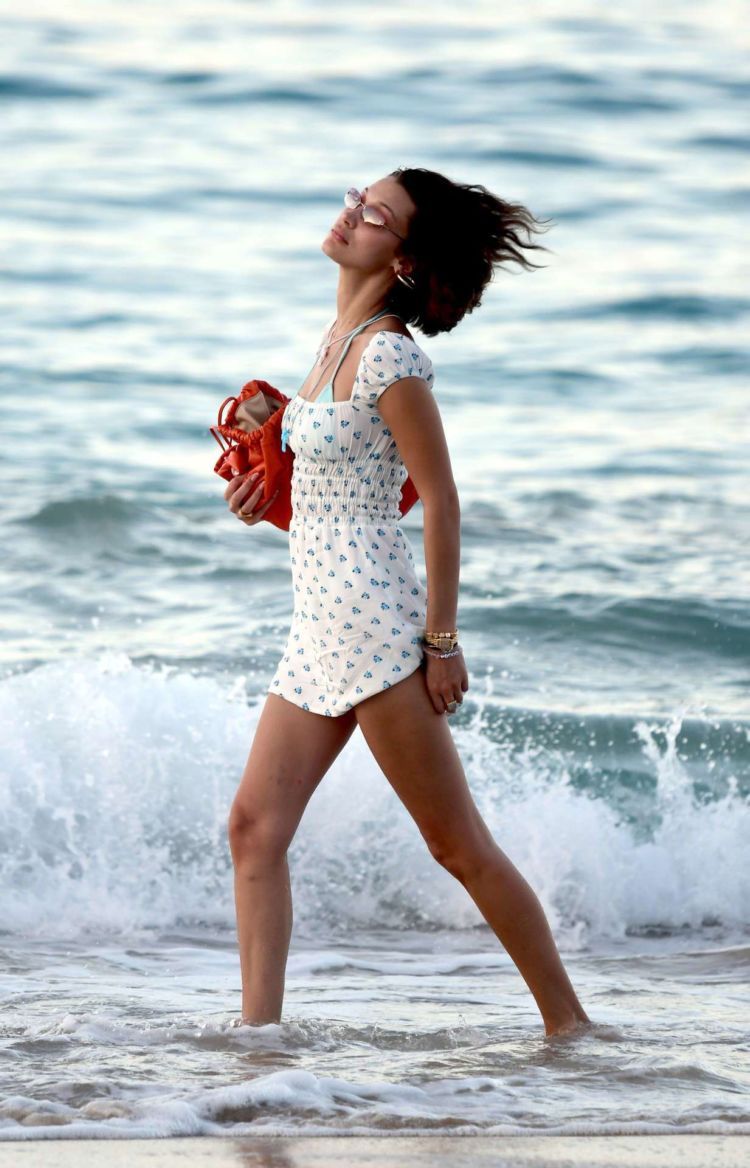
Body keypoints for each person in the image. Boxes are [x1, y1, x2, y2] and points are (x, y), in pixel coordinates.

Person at [223, 168, 590, 1037]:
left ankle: (570, 1026)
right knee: (252, 829)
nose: (352, 213)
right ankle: (258, 1041)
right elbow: (346, 502)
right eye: (358, 196)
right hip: (319, 626)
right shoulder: (331, 341)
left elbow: (442, 498)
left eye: (374, 214)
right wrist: (263, 486)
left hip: (378, 630)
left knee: (456, 845)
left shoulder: (389, 352)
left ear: (407, 258)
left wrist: (443, 640)